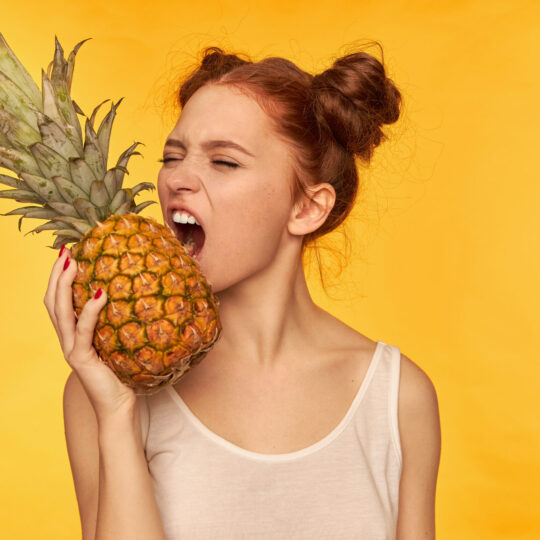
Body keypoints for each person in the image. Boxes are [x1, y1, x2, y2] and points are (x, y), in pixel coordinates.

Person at [45, 43, 441, 540]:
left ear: (308, 208)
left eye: (224, 162)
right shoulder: (106, 393)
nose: (177, 180)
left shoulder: (397, 398)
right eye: (173, 156)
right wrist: (117, 411)